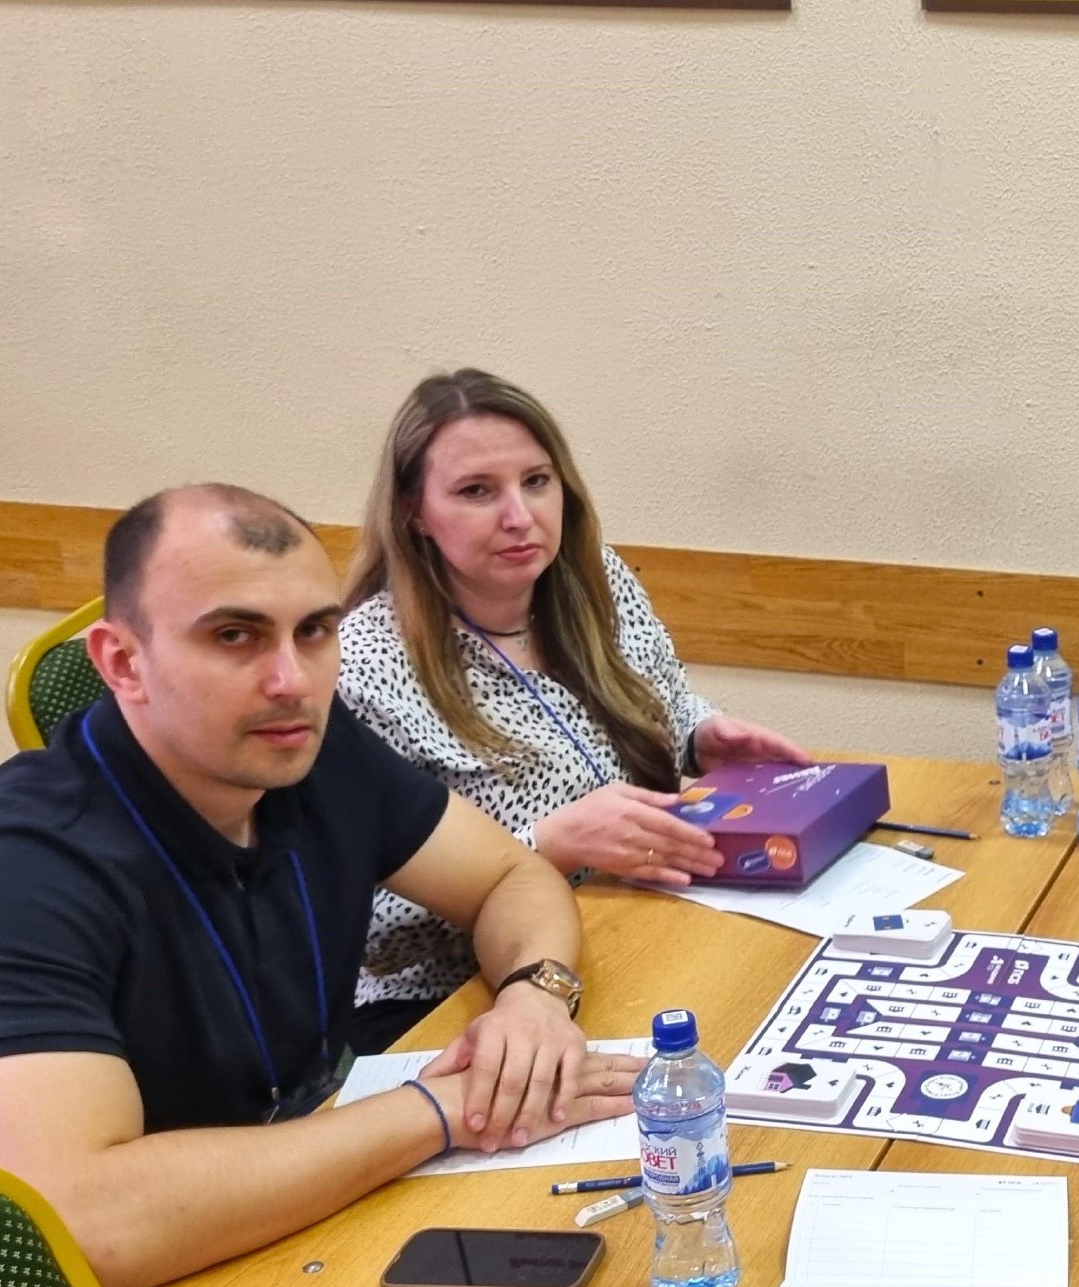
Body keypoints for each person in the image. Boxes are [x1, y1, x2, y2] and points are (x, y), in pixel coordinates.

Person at [0, 484, 642, 1287]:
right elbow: (81, 1223)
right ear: (122, 661)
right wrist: (435, 1113)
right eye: (234, 636)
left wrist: (536, 996)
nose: (292, 679)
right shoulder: (14, 871)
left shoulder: (304, 752)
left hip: (295, 1204)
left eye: (315, 632)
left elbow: (510, 876)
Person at [338, 369, 809, 1051]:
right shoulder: (362, 666)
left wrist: (700, 735)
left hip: (628, 923)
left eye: (536, 481)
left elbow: (660, 697)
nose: (519, 516)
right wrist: (541, 850)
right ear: (414, 511)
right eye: (476, 491)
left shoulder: (595, 580)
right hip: (456, 1001)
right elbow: (365, 929)